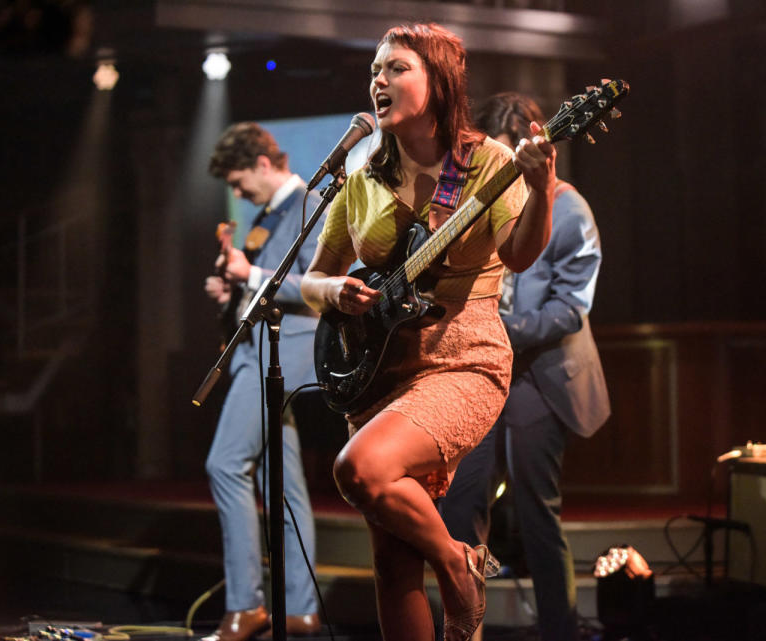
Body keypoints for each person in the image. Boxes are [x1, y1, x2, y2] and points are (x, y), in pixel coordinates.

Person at [300, 22, 557, 641]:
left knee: (359, 470)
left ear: (437, 82)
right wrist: (335, 292)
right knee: (392, 566)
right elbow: (312, 280)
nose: (378, 82)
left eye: (395, 69)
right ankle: (457, 561)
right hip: (378, 373)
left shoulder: (486, 164)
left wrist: (542, 183)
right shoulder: (361, 179)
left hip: (462, 361)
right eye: (374, 72)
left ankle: (458, 563)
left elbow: (521, 255)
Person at [439, 93, 611, 641]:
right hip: (482, 377)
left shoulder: (569, 206)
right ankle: (470, 625)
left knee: (539, 513)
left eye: (509, 154)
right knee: (463, 509)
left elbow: (570, 309)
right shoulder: (478, 204)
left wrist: (497, 332)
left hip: (539, 375)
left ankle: (560, 628)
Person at [202, 123, 322, 640]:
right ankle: (300, 608)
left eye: (238, 182)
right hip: (258, 350)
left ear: (263, 164)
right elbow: (258, 283)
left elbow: (320, 287)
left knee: (226, 464)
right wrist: (230, 286)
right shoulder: (265, 217)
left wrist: (247, 276)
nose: (236, 194)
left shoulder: (312, 205)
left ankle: (246, 603)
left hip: (286, 355)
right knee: (284, 485)